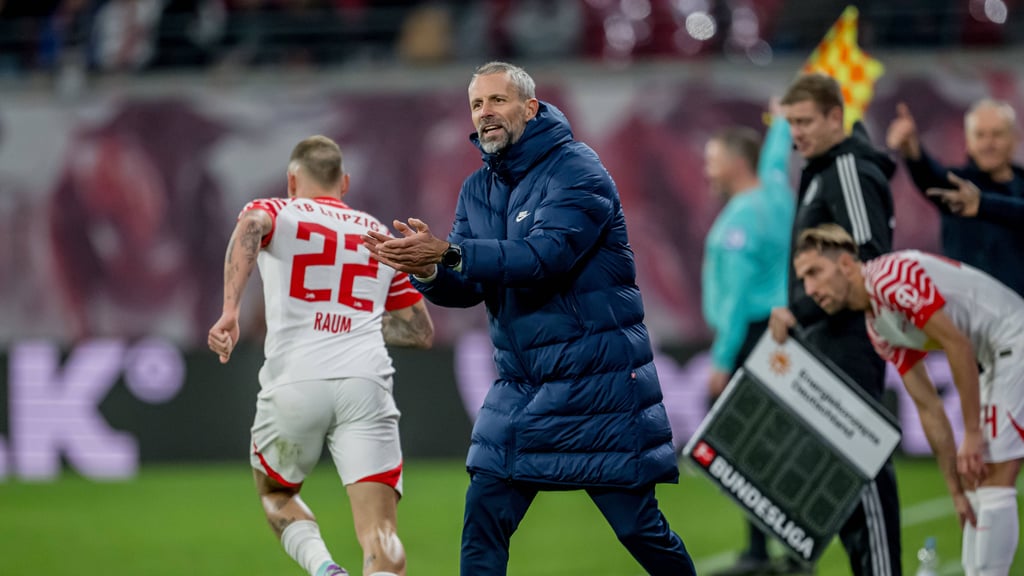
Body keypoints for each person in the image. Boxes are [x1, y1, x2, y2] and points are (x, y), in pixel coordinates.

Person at [362, 61, 696, 576]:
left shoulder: (578, 170)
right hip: (522, 389)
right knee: (483, 519)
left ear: (531, 108)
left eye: (497, 101)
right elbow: (470, 285)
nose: (485, 114)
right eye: (476, 105)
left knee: (638, 529)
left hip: (597, 386)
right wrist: (429, 268)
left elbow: (545, 258)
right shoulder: (477, 189)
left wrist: (451, 252)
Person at [207, 135, 434, 576]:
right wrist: (358, 318)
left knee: (277, 493)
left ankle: (324, 569)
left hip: (296, 379)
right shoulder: (378, 234)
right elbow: (420, 330)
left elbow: (250, 226)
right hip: (366, 382)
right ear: (344, 183)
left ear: (292, 180)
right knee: (380, 531)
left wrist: (230, 312)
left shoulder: (277, 210)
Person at [776, 223, 1024, 576]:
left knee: (998, 477)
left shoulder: (890, 279)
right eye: (803, 279)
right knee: (978, 485)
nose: (810, 289)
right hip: (996, 354)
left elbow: (957, 345)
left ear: (847, 264)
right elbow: (928, 406)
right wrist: (954, 490)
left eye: (815, 272)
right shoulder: (878, 327)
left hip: (1015, 337)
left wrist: (971, 433)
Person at [770, 73, 902, 576]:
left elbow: (869, 259)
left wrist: (800, 310)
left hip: (847, 338)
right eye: (790, 123)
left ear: (834, 117)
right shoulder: (824, 169)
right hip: (825, 338)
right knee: (841, 476)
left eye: (804, 121)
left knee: (859, 466)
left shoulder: (846, 166)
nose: (796, 133)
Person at [701, 117, 800, 575]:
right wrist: (780, 122)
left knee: (749, 449)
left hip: (751, 337)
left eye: (714, 162)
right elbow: (777, 160)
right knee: (777, 443)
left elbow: (737, 298)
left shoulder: (741, 216)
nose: (708, 171)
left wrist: (723, 360)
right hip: (782, 336)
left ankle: (759, 552)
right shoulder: (777, 192)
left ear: (738, 164)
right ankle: (793, 548)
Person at [886, 99, 1024, 296]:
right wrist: (912, 149)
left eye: (997, 134)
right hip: (965, 313)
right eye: (980, 135)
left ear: (1014, 138)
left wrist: (982, 204)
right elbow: (929, 177)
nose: (988, 143)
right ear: (968, 142)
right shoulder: (956, 186)